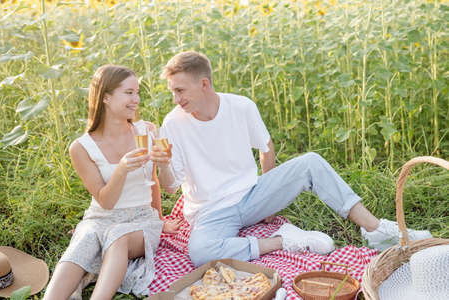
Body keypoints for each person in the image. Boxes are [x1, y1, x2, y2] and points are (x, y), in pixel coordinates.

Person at [151, 51, 432, 267]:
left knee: (310, 161)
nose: (175, 99)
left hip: (251, 195)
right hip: (211, 212)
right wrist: (162, 163)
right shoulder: (173, 123)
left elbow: (266, 146)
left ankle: (376, 230)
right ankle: (282, 241)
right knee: (200, 253)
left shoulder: (240, 106)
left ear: (204, 84)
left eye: (180, 90)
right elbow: (171, 187)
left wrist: (269, 194)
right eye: (172, 91)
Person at [43, 65, 182, 300]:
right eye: (129, 93)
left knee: (118, 236)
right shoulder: (81, 147)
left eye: (137, 93)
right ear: (105, 96)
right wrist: (122, 169)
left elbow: (161, 184)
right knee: (83, 242)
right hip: (101, 217)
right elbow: (105, 201)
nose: (136, 99)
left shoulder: (147, 131)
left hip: (140, 220)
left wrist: (165, 166)